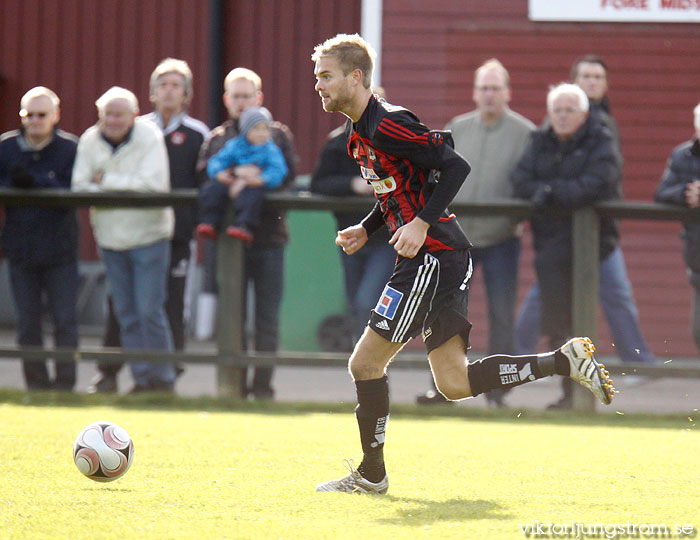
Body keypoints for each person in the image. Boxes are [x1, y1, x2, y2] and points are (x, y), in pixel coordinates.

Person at [311, 34, 615, 495]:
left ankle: (371, 475)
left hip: (432, 256)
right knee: (454, 383)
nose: (319, 85)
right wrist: (369, 228)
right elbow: (396, 192)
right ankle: (565, 360)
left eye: (326, 76)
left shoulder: (388, 124)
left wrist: (420, 224)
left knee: (364, 364)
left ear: (356, 77)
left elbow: (455, 166)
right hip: (441, 254)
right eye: (317, 77)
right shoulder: (358, 134)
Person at [415, 59, 535, 407]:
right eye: (484, 87)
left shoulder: (526, 133)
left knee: (500, 315)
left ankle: (498, 391)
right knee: (445, 313)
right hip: (456, 238)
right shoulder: (458, 127)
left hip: (501, 239)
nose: (489, 94)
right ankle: (441, 387)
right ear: (475, 92)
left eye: (496, 88)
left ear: (508, 93)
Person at [87, 59, 210, 393]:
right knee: (121, 303)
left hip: (176, 235)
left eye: (176, 85)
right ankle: (110, 369)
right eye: (163, 84)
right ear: (152, 92)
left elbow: (202, 184)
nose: (169, 90)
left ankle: (164, 375)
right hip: (131, 231)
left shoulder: (198, 135)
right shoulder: (135, 129)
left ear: (186, 94)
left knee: (167, 303)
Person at [196, 67, 296, 400]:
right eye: (235, 96)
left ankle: (263, 387)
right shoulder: (218, 137)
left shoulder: (277, 135)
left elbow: (288, 176)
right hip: (227, 243)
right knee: (232, 317)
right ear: (227, 100)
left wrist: (259, 177)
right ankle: (233, 388)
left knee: (267, 318)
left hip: (269, 237)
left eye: (247, 95)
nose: (241, 102)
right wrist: (240, 172)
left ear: (259, 98)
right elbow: (204, 174)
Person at [72, 86, 176, 393]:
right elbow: (78, 185)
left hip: (150, 236)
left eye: (119, 114)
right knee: (126, 313)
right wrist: (122, 187)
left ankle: (163, 381)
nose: (113, 121)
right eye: (108, 114)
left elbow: (153, 184)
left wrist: (104, 181)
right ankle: (142, 380)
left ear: (134, 115)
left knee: (149, 311)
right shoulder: (90, 140)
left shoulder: (150, 137)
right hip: (110, 238)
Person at [0, 86, 79, 391]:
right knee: (28, 325)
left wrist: (36, 183)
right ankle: (37, 385)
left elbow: (73, 188)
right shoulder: (6, 149)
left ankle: (65, 385)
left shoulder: (70, 149)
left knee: (64, 322)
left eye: (41, 114)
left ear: (55, 116)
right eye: (28, 114)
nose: (34, 120)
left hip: (60, 250)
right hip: (21, 251)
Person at [310, 87, 395, 344]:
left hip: (386, 238)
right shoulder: (337, 143)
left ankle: (372, 365)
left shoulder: (395, 143)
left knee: (368, 301)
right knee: (356, 303)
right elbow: (318, 184)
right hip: (350, 238)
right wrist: (352, 185)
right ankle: (365, 368)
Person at [198, 106, 287, 244]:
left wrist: (262, 179)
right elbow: (217, 161)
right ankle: (210, 221)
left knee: (252, 197)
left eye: (265, 129)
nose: (261, 133)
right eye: (256, 128)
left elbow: (278, 170)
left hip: (254, 185)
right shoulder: (235, 145)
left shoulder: (271, 150)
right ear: (246, 130)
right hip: (231, 182)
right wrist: (219, 174)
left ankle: (244, 225)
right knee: (212, 190)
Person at [654, 101, 700, 353]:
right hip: (697, 255)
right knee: (698, 331)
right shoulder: (683, 155)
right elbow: (661, 192)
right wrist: (686, 193)